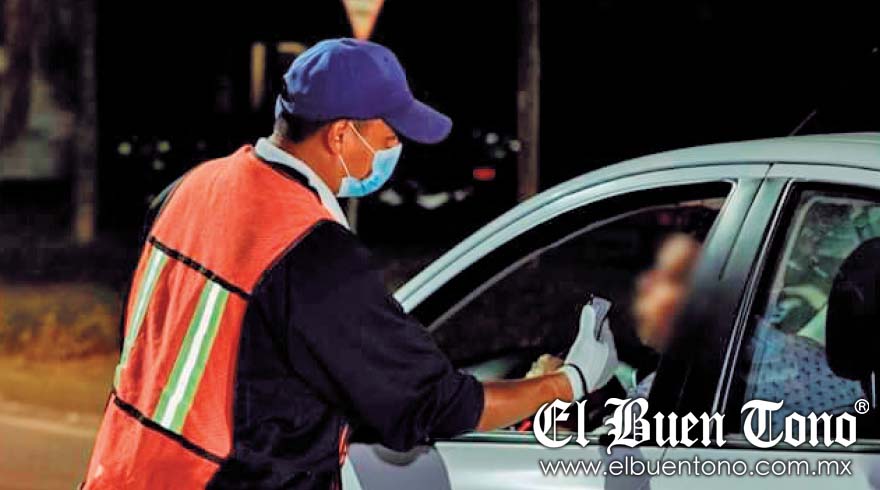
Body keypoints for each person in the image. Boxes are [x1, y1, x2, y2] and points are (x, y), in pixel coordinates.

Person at [81, 39, 613, 490]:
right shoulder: (309, 249)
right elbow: (429, 404)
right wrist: (567, 382)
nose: (395, 151)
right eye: (390, 138)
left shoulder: (191, 188)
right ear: (340, 135)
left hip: (121, 469)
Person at [529, 232, 702, 397]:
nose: (644, 283)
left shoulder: (673, 390)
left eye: (671, 276)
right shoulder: (671, 379)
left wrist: (551, 388)